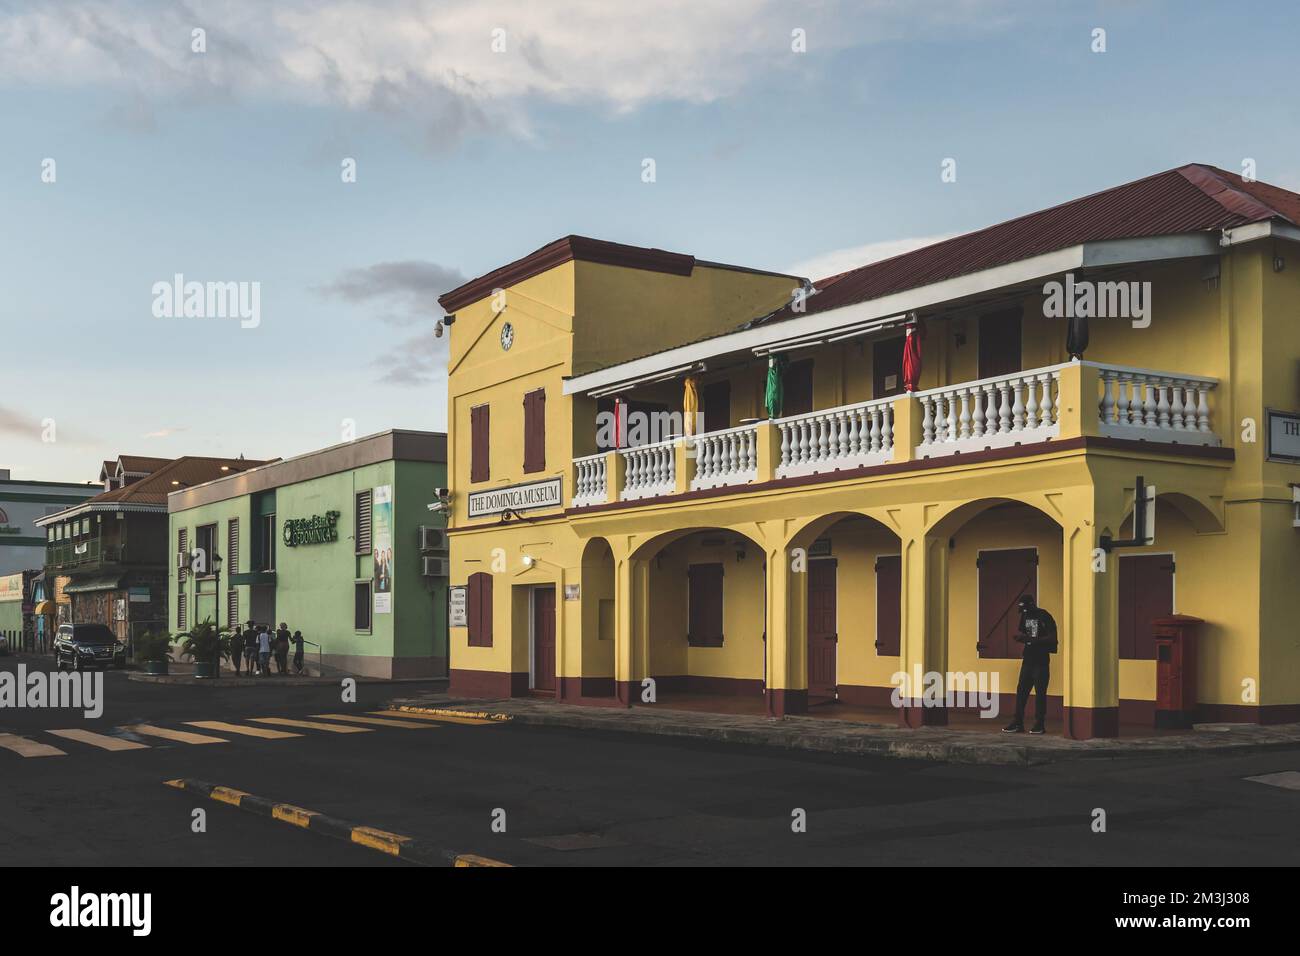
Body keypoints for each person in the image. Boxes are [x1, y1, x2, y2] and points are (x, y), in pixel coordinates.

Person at [1003, 594, 1058, 735]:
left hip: (1041, 661)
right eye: (1023, 611)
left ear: (1032, 605)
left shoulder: (1044, 616)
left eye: (1026, 609)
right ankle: (1018, 722)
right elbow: (1026, 634)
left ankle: (1039, 724)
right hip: (1028, 660)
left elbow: (1052, 637)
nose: (1024, 613)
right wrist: (1022, 639)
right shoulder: (1025, 616)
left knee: (1040, 693)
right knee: (1021, 691)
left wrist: (1031, 640)